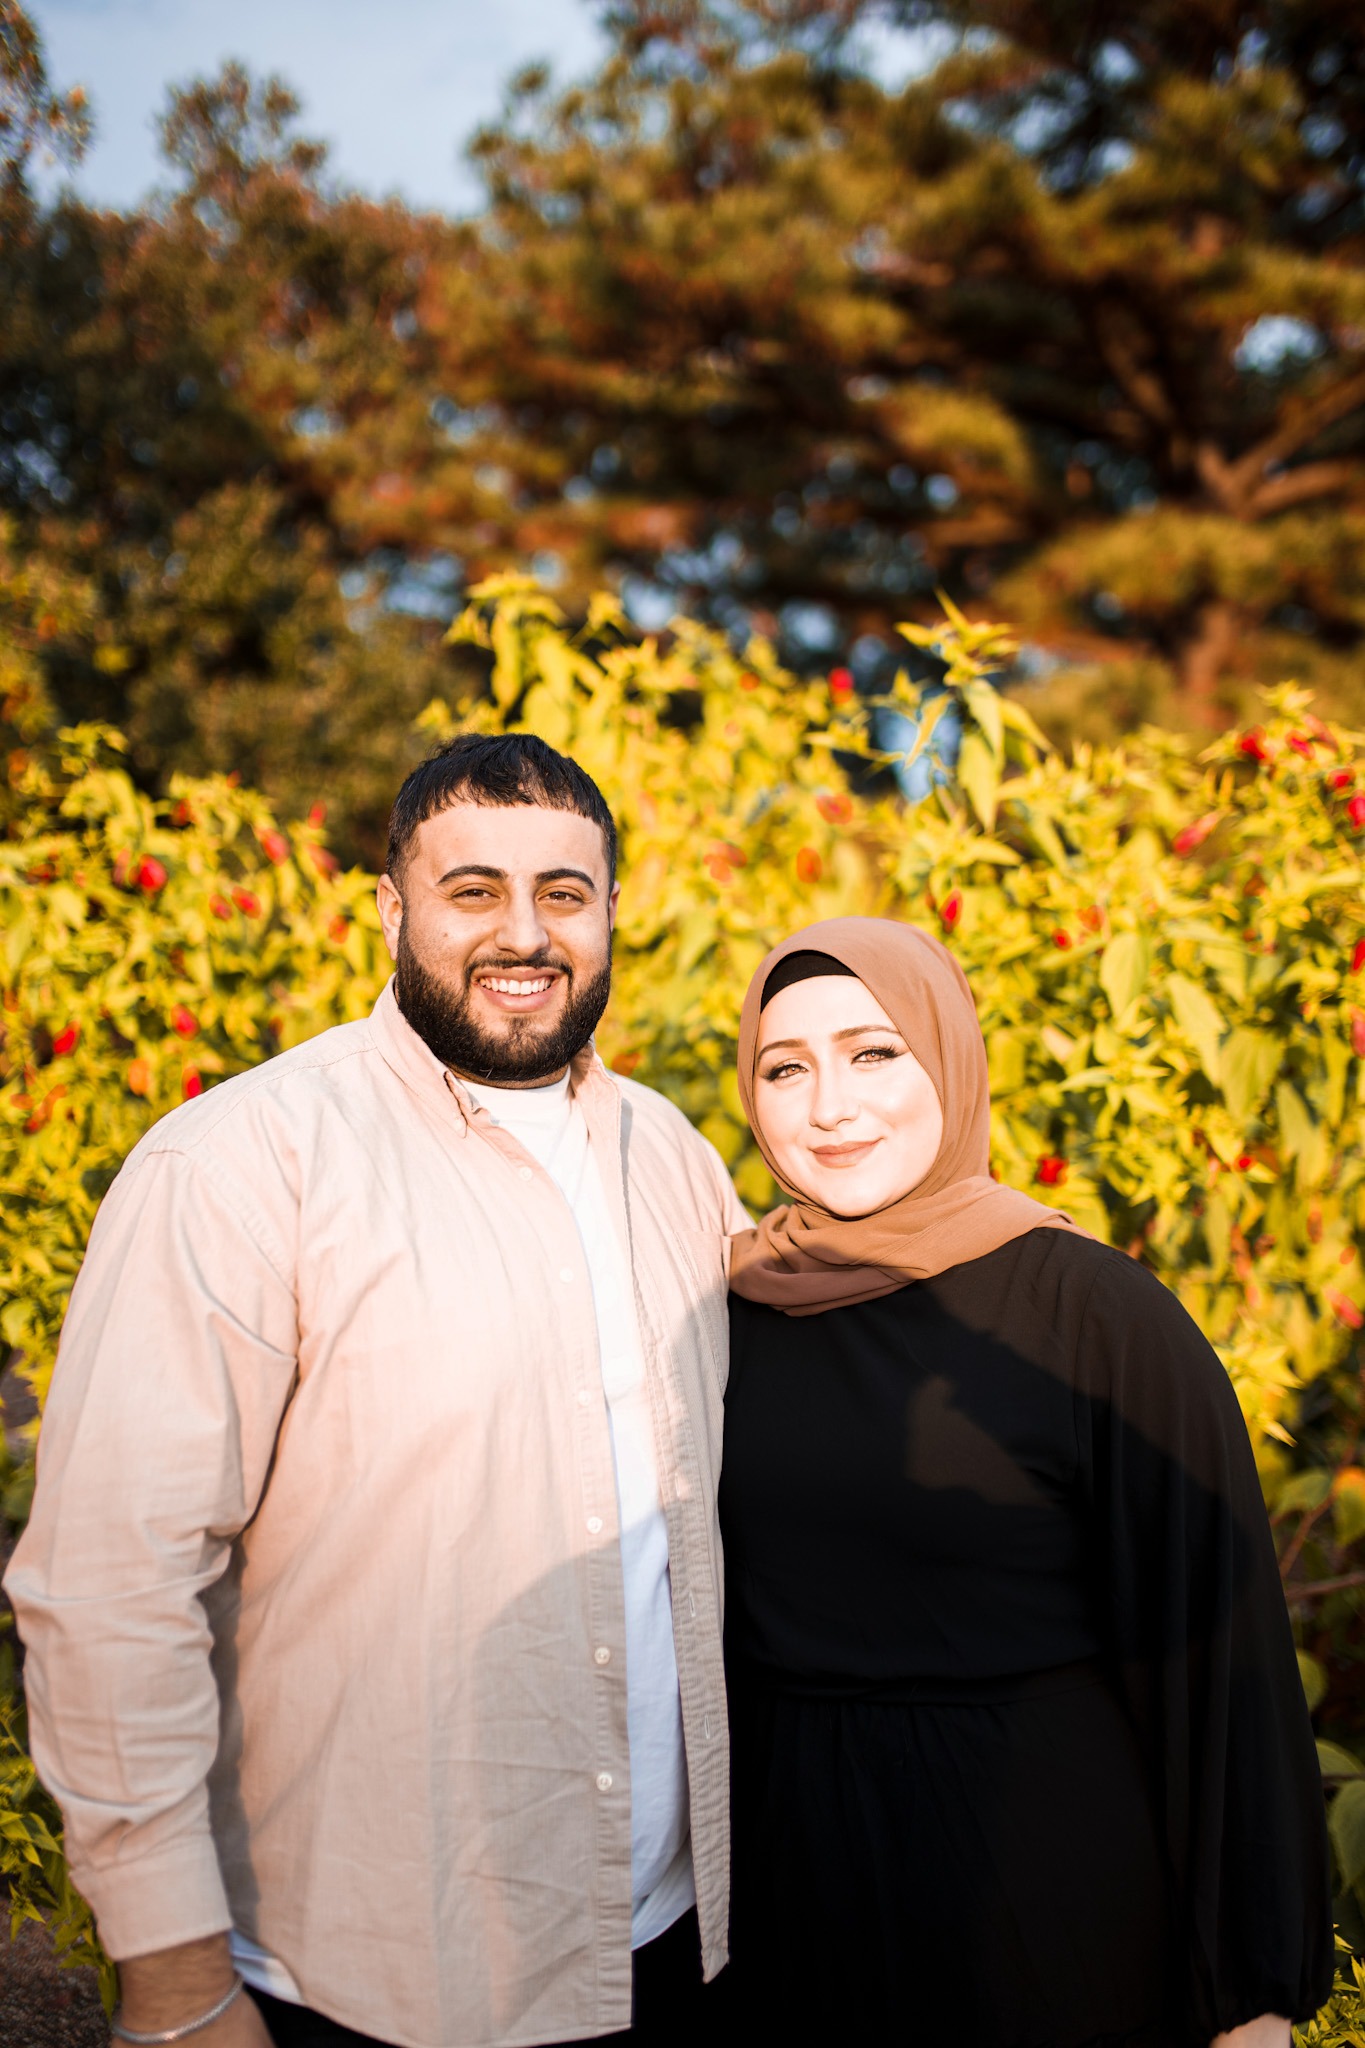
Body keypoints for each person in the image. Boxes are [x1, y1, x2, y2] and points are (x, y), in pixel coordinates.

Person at [6, 734, 748, 2048]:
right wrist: (174, 1985)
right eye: (473, 890)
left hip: (669, 1944)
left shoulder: (672, 1156)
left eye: (563, 893)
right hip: (370, 1977)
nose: (525, 934)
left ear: (611, 911)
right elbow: (114, 1586)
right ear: (393, 910)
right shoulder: (242, 1165)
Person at [718, 916, 1334, 2048]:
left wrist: (1251, 2005)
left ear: (949, 1058)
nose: (829, 1106)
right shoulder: (730, 1313)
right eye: (785, 1068)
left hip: (1040, 1914)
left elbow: (1223, 1674)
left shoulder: (1094, 1315)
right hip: (788, 1915)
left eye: (873, 1052)